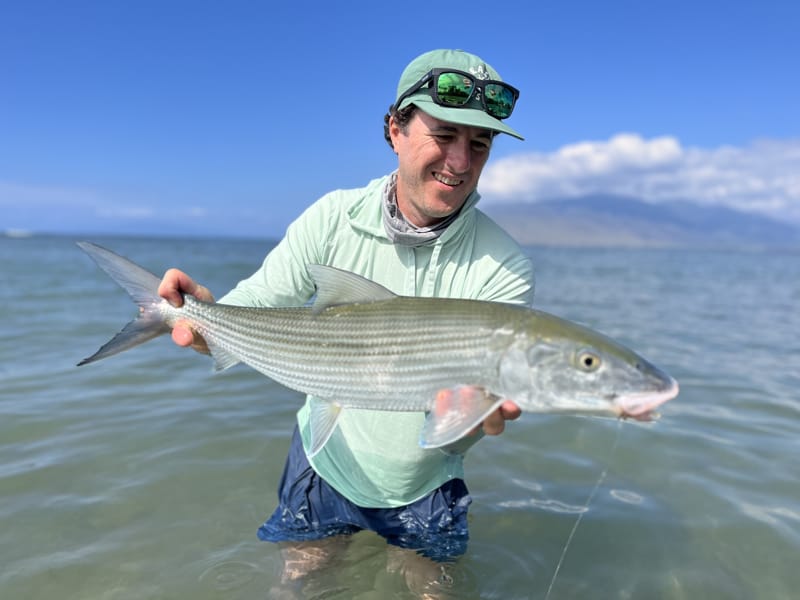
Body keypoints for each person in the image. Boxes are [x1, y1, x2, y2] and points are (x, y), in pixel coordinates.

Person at [158, 49, 534, 590]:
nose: (459, 161)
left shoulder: (505, 264)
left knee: (436, 589)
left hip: (423, 480)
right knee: (300, 585)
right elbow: (254, 310)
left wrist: (478, 415)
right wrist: (199, 318)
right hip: (323, 460)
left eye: (479, 144)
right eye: (444, 134)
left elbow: (469, 415)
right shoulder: (332, 217)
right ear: (395, 129)